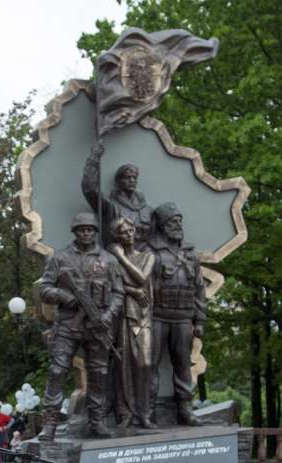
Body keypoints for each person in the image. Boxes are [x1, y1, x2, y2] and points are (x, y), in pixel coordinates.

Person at [38, 211, 125, 440]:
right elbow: (44, 288)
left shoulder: (109, 260)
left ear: (95, 232)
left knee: (98, 374)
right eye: (81, 230)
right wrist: (63, 296)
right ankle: (50, 425)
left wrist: (108, 315)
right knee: (57, 371)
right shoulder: (60, 258)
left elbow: (119, 293)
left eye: (90, 230)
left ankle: (97, 422)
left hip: (98, 326)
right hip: (68, 324)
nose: (86, 233)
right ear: (75, 232)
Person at [148, 202, 207, 425]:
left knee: (183, 364)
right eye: (173, 221)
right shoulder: (151, 251)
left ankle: (185, 409)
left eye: (179, 220)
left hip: (183, 317)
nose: (178, 224)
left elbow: (200, 288)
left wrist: (199, 319)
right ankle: (148, 411)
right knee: (149, 365)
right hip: (156, 317)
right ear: (162, 226)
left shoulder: (190, 254)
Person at [108, 216, 156, 429]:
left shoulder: (147, 256)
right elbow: (114, 284)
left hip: (143, 314)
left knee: (144, 363)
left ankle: (144, 413)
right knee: (123, 364)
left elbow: (142, 278)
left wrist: (120, 257)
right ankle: (125, 412)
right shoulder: (111, 261)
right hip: (122, 312)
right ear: (117, 236)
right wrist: (133, 291)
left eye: (130, 230)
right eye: (122, 232)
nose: (127, 235)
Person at [82, 142, 153, 247]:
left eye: (134, 177)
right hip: (117, 257)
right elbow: (90, 188)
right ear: (119, 181)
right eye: (127, 177)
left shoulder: (147, 209)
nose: (132, 180)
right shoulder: (110, 205)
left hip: (143, 257)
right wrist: (94, 159)